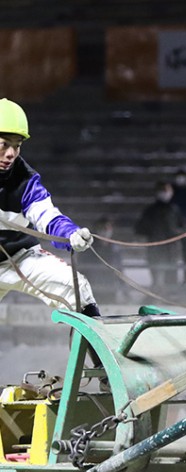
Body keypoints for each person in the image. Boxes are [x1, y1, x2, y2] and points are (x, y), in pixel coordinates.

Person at [0, 98, 99, 319]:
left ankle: (97, 353)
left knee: (78, 291)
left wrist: (70, 233)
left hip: (21, 257)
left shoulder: (26, 180)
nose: (10, 154)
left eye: (17, 145)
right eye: (4, 143)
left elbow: (47, 216)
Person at [134, 180, 182, 290]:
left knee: (171, 277)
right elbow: (140, 228)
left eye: (167, 190)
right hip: (155, 249)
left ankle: (171, 296)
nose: (165, 193)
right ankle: (156, 295)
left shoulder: (174, 210)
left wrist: (176, 234)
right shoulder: (150, 210)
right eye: (162, 190)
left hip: (171, 250)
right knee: (156, 277)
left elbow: (183, 226)